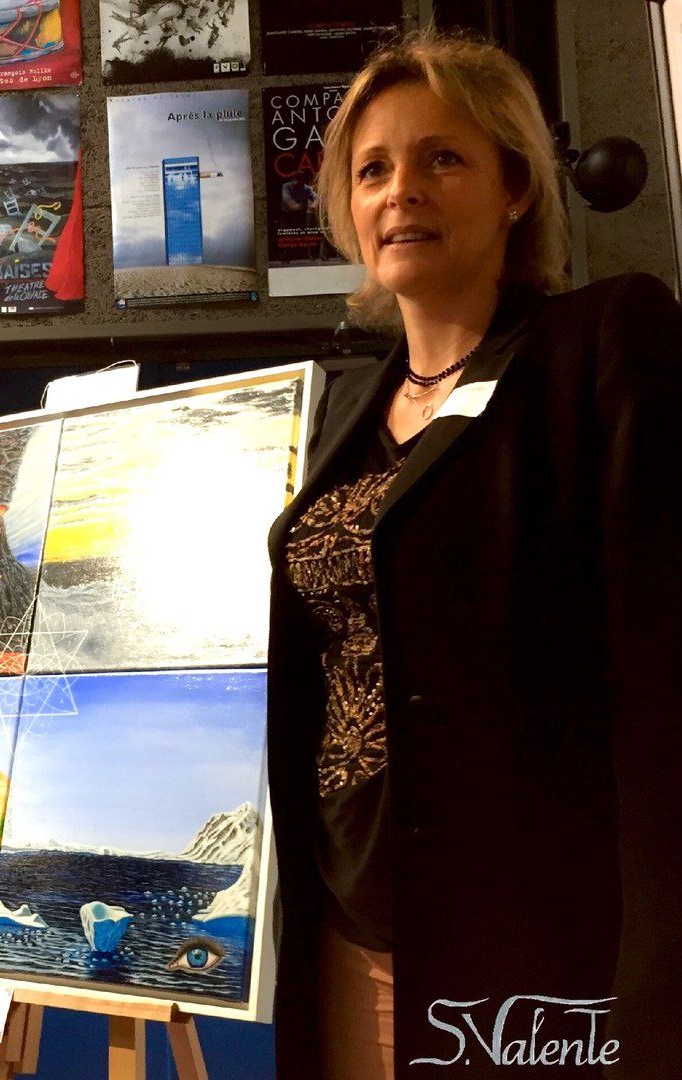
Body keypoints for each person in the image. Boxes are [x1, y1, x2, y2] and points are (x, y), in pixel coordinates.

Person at [266, 29, 682, 1080]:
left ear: (515, 188)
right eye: (373, 169)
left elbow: (663, 672)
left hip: (529, 943)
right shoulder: (344, 411)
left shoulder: (603, 344)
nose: (401, 189)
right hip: (345, 926)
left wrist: (658, 984)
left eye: (442, 157)